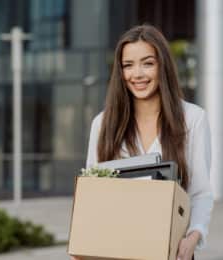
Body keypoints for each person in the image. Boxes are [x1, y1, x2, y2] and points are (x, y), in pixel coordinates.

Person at [71, 24, 214, 260]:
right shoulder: (104, 123)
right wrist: (83, 241)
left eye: (147, 63)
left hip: (171, 252)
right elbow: (91, 194)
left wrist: (192, 238)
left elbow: (200, 192)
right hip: (115, 251)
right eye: (128, 65)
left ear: (162, 66)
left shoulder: (193, 119)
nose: (137, 74)